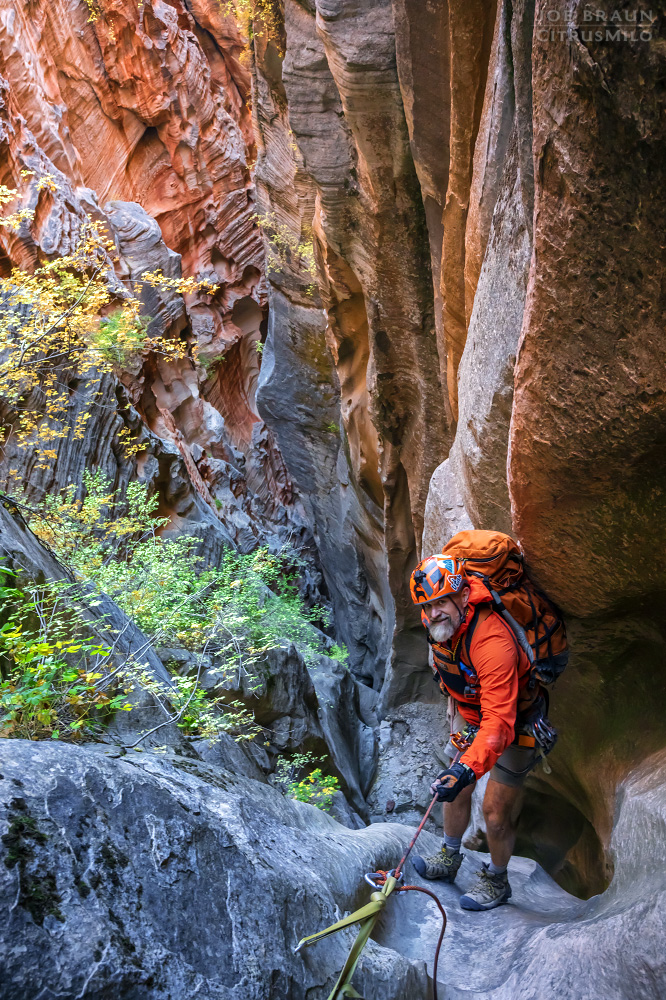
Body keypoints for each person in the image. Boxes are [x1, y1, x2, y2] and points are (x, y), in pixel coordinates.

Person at [409, 553, 547, 911]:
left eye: (441, 602)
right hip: (471, 715)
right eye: (427, 605)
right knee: (453, 787)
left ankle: (498, 880)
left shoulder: (492, 642)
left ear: (463, 596)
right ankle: (450, 856)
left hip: (515, 721)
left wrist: (466, 767)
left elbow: (500, 722)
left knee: (496, 812)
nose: (433, 613)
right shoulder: (442, 627)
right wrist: (460, 767)